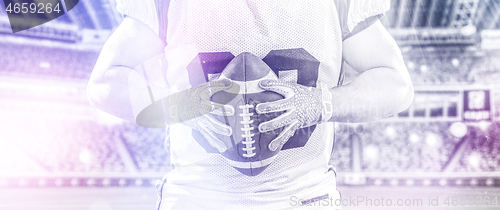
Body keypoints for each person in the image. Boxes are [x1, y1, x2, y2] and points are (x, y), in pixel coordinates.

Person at [87, 0, 414, 209]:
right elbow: (106, 82)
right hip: (198, 199)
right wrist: (178, 105)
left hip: (303, 199)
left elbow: (394, 83)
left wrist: (319, 103)